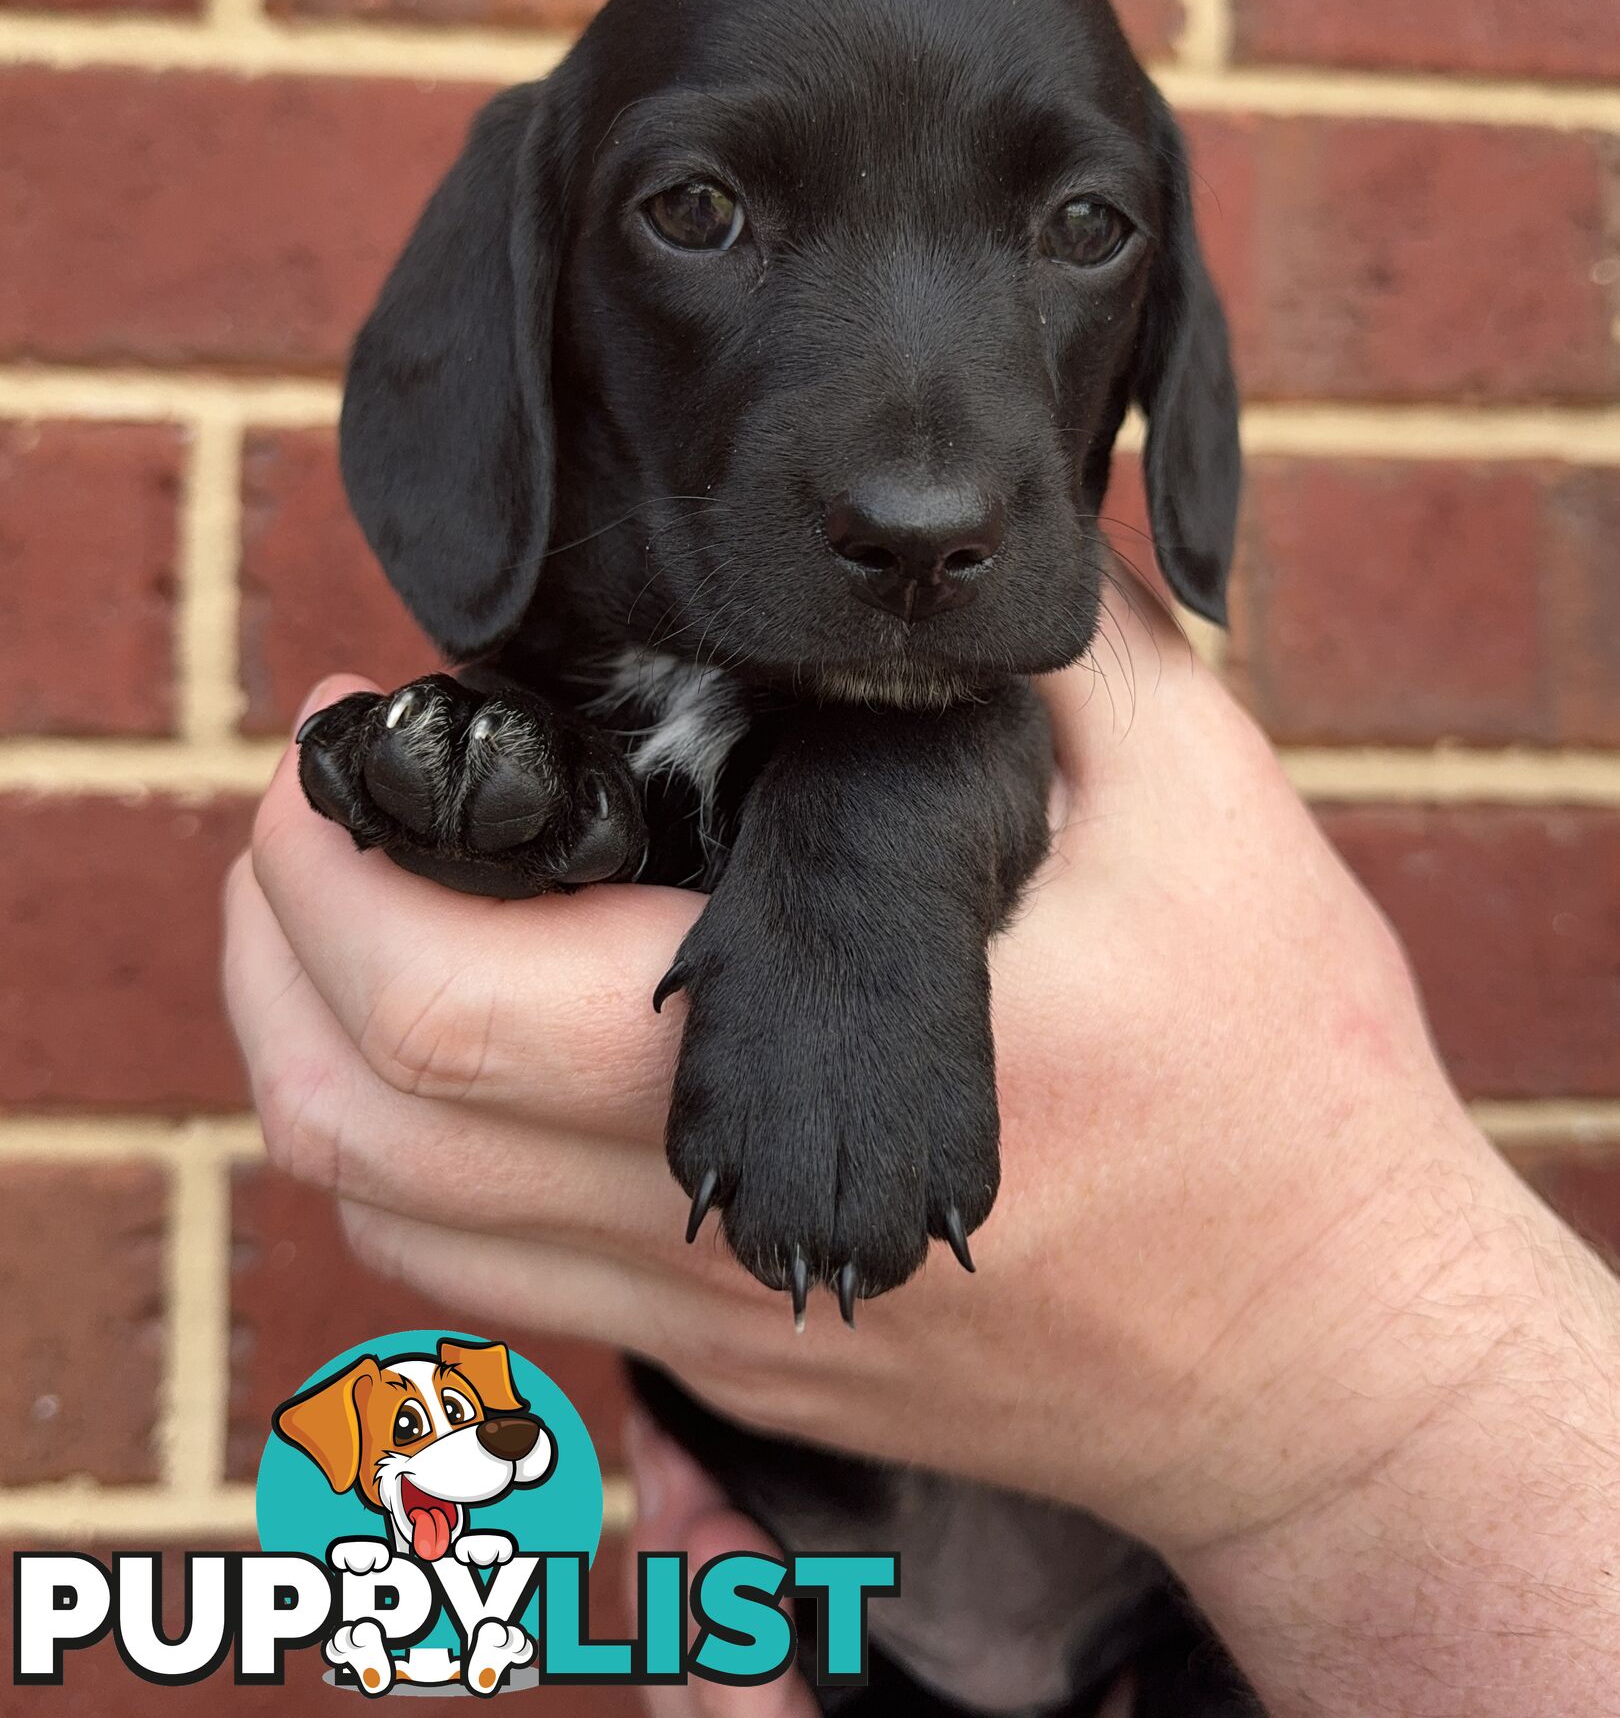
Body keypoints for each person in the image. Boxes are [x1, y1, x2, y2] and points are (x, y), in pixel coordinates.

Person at [224, 587, 1620, 1717]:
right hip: (820, 1579)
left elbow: (985, 755)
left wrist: (1350, 1409)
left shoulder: (998, 659)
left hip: (1199, 1616)